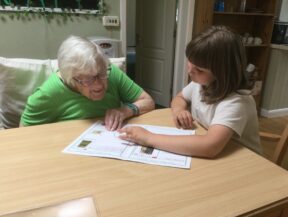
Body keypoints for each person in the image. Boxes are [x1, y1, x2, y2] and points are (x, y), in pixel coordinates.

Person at [119, 26, 261, 158]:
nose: (190, 71)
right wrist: (179, 110)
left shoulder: (236, 102)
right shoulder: (201, 83)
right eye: (190, 62)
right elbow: (179, 97)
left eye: (199, 70)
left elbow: (209, 146)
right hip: (217, 150)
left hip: (247, 161)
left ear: (223, 74)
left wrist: (148, 138)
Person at [20, 35, 155, 130]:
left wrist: (126, 111)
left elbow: (148, 101)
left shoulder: (111, 72)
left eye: (101, 74)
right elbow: (23, 133)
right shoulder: (48, 93)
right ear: (71, 78)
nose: (99, 85)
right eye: (88, 79)